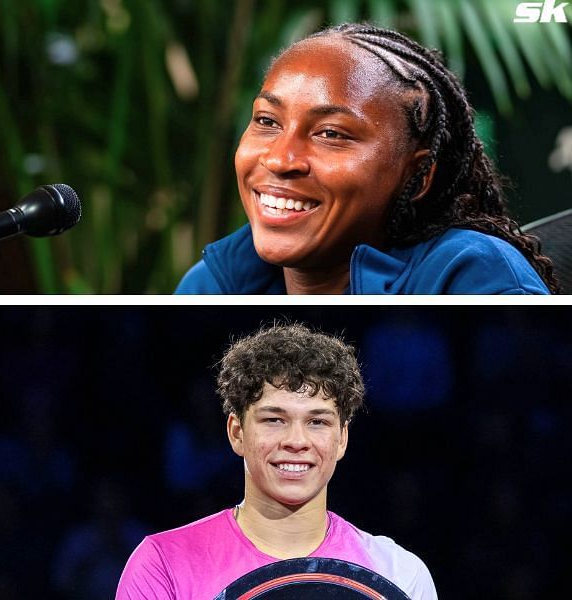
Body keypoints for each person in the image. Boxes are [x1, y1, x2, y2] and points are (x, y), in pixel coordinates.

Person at [176, 23, 557, 294]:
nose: (279, 159)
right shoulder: (211, 282)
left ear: (417, 175)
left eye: (330, 133)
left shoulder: (471, 274)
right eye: (267, 121)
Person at [115, 324, 437, 599]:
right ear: (236, 432)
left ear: (342, 439)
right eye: (274, 420)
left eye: (317, 422)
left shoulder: (398, 575)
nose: (296, 442)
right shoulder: (163, 564)